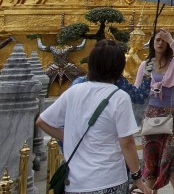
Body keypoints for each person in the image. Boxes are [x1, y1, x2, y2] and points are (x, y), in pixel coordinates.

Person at [36, 40, 152, 194]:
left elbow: (42, 121)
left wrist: (69, 137)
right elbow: (127, 143)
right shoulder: (119, 97)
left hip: (75, 183)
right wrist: (138, 177)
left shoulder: (74, 90)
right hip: (110, 180)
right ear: (119, 67)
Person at [134, 29, 174, 194]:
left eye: (163, 41)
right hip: (152, 114)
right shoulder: (146, 65)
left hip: (172, 114)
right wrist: (146, 80)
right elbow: (137, 91)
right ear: (152, 43)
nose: (160, 43)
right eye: (157, 40)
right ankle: (151, 192)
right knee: (151, 158)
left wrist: (171, 40)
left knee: (172, 156)